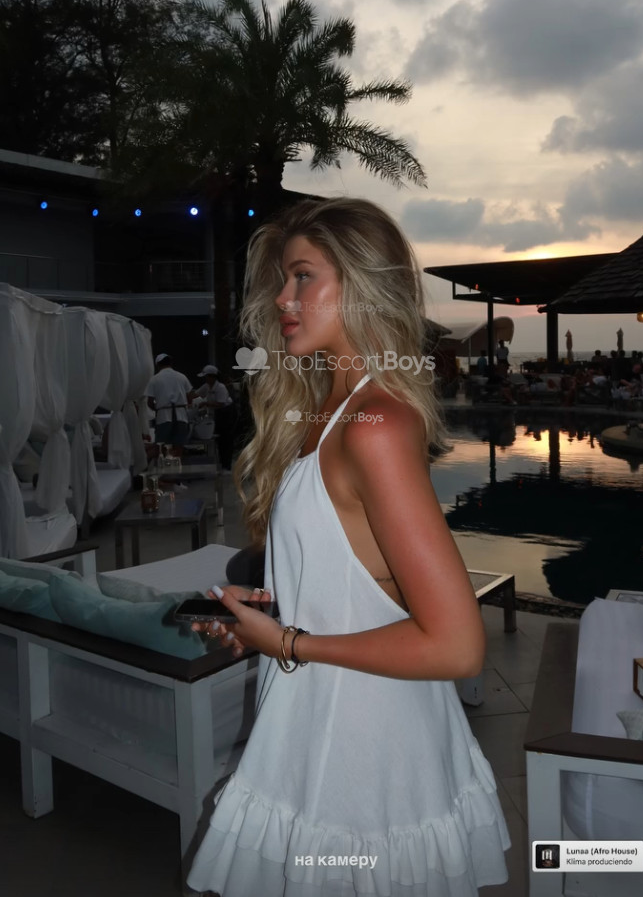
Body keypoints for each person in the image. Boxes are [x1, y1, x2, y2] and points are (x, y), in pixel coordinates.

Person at [186, 197, 510, 896]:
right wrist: (268, 615)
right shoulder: (328, 414)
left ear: (361, 284)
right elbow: (350, 575)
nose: (283, 298)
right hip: (317, 722)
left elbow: (458, 646)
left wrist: (289, 642)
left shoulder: (374, 424)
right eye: (282, 279)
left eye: (303, 276)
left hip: (365, 751)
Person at [145, 353, 193, 458]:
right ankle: (178, 463)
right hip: (181, 415)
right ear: (170, 363)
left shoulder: (154, 379)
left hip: (163, 416)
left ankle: (163, 464)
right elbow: (190, 398)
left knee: (161, 446)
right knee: (179, 445)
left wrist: (157, 409)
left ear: (157, 364)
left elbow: (149, 402)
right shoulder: (182, 377)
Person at [192, 364, 237, 470]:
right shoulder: (206, 386)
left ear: (212, 377)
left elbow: (221, 403)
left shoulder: (220, 387)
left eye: (206, 377)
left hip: (226, 414)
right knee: (218, 440)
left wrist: (205, 403)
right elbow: (195, 395)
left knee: (225, 440)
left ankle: (226, 465)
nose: (205, 379)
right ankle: (220, 463)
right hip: (217, 414)